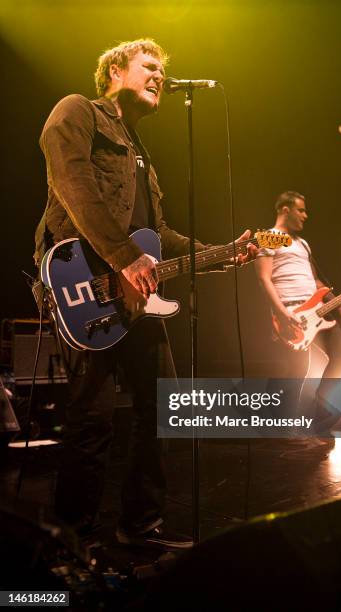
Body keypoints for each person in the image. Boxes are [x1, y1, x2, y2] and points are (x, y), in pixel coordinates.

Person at [33, 39, 257, 550]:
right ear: (115, 70)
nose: (159, 76)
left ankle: (141, 528)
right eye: (149, 66)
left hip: (135, 291)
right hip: (84, 280)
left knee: (165, 407)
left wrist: (225, 251)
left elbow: (157, 235)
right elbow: (73, 184)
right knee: (91, 423)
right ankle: (72, 547)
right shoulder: (77, 111)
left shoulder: (139, 153)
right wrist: (122, 256)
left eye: (162, 70)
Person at [255, 191, 341, 430]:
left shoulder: (303, 244)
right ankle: (277, 424)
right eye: (301, 209)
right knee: (296, 369)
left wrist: (340, 305)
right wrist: (281, 313)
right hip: (291, 313)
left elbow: (317, 283)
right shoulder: (269, 237)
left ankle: (321, 415)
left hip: (317, 312)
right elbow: (263, 279)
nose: (305, 215)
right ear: (285, 209)